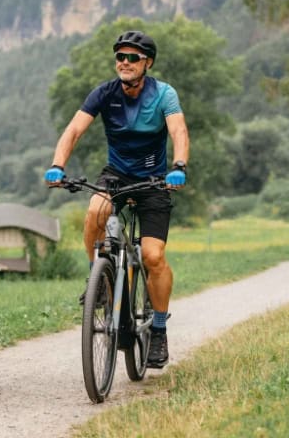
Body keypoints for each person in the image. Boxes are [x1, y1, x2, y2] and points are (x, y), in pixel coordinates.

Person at [45, 30, 188, 369]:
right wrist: (57, 165)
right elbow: (74, 130)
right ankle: (99, 279)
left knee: (153, 256)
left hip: (154, 179)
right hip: (117, 174)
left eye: (133, 57)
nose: (124, 63)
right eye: (120, 57)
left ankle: (159, 329)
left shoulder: (164, 94)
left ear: (147, 63)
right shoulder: (104, 94)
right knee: (96, 211)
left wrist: (179, 166)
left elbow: (178, 131)